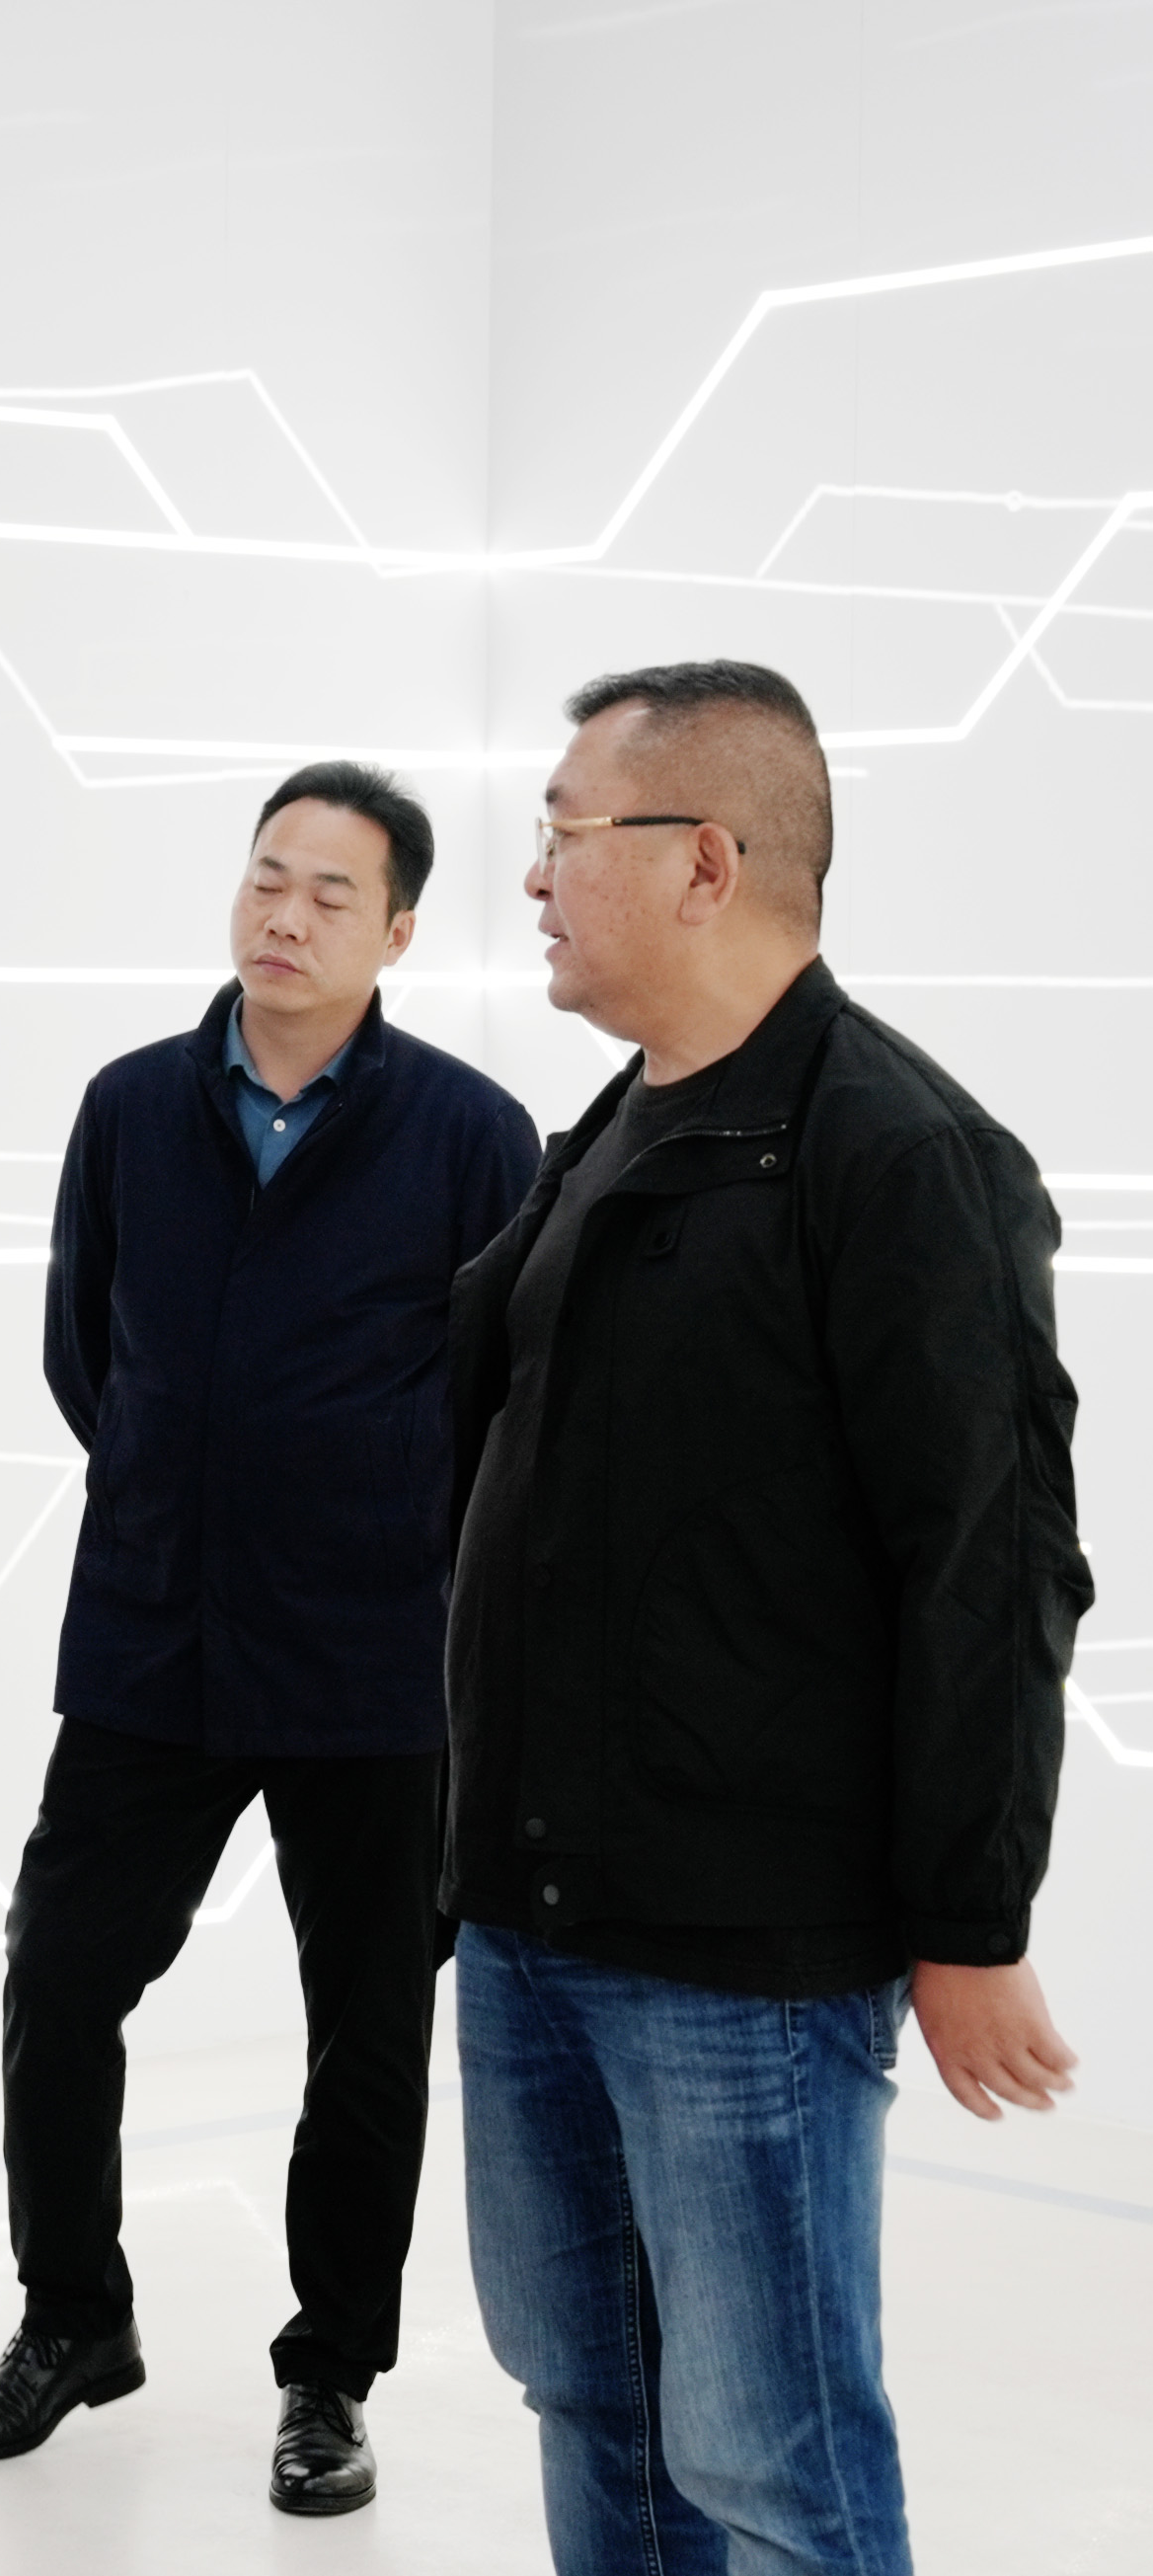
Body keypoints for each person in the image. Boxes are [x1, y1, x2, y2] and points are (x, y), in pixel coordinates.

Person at [451, 660, 1090, 2576]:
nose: (535, 876)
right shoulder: (615, 1130)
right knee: (591, 2402)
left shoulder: (901, 1155)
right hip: (533, 1923)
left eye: (563, 832)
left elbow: (989, 1562)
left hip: (744, 1959)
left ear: (706, 860)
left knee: (771, 2465)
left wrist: (969, 1918)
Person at [0, 763, 539, 2513]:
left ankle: (329, 2373)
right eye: (268, 876)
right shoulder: (132, 1106)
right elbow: (86, 1350)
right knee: (60, 1975)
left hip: (373, 1659)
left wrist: (374, 1517)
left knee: (368, 2029)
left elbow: (507, 1400)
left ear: (398, 932)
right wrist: (173, 1487)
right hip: (153, 1639)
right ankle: (73, 2316)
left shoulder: (472, 1133)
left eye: (333, 893)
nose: (286, 914)